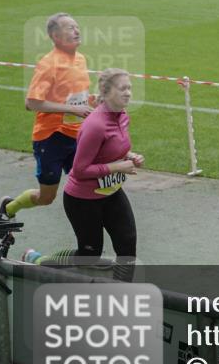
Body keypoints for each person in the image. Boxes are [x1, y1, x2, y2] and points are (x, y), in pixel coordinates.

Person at [23, 68, 144, 282]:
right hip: (83, 200)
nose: (128, 93)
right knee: (89, 255)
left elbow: (113, 148)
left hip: (111, 192)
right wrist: (118, 167)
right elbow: (79, 170)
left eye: (130, 88)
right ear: (106, 92)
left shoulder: (123, 117)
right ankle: (39, 260)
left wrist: (130, 155)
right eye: (122, 88)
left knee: (127, 245)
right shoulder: (95, 125)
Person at [0, 13, 92, 238]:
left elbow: (75, 96)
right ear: (55, 36)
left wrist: (92, 101)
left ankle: (89, 235)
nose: (76, 31)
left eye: (77, 26)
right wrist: (72, 109)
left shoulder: (80, 59)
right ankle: (9, 208)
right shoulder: (49, 64)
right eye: (70, 28)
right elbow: (32, 103)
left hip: (77, 134)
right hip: (51, 137)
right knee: (47, 197)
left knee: (88, 181)